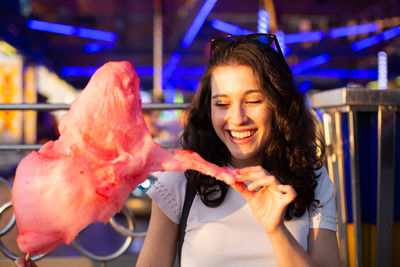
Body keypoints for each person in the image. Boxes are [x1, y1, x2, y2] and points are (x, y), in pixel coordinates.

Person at [136, 33, 340, 267]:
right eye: (222, 104)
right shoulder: (181, 179)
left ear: (279, 104)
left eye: (253, 101)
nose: (237, 118)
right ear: (207, 108)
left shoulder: (313, 179)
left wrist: (276, 231)